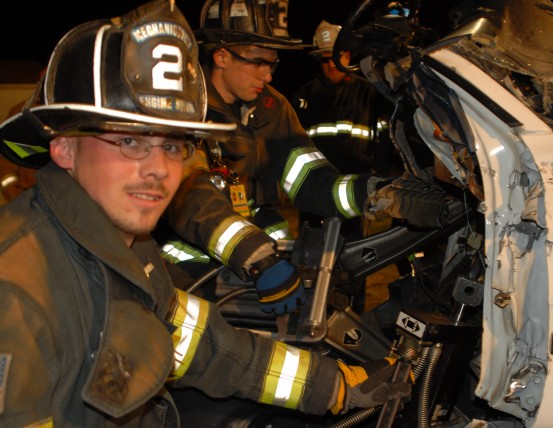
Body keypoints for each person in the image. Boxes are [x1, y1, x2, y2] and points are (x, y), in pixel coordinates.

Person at [0, 1, 413, 426]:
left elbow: (205, 347)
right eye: (130, 141)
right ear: (63, 147)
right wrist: (255, 254)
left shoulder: (129, 254)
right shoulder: (15, 290)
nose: (159, 168)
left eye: (173, 145)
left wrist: (335, 386)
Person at [290, 20, 396, 240]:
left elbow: (384, 135)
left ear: (348, 55)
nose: (332, 64)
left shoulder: (369, 92)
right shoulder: (305, 96)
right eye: (326, 59)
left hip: (355, 189)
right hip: (315, 190)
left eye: (339, 56)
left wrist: (380, 175)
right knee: (312, 254)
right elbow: (293, 145)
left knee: (353, 255)